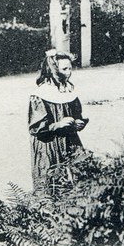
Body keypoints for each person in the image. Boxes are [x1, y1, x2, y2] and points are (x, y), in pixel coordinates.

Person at [29, 50, 88, 195]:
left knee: (77, 179)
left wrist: (78, 123)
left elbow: (76, 114)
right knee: (53, 183)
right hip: (49, 145)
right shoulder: (41, 95)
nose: (69, 72)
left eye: (70, 68)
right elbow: (37, 129)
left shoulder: (68, 91)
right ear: (53, 70)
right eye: (64, 69)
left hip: (70, 140)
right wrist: (58, 124)